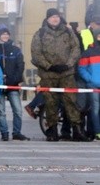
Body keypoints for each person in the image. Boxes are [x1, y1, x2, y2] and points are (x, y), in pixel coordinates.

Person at [31, 8, 90, 142]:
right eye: (52, 17)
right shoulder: (40, 34)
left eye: (57, 16)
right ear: (47, 19)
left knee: (71, 102)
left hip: (66, 74)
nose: (55, 19)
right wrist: (49, 66)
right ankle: (52, 131)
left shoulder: (68, 32)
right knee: (51, 103)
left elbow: (76, 49)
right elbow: (36, 53)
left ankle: (77, 130)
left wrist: (68, 64)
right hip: (48, 75)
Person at [0, 25, 29, 141]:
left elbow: (20, 66)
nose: (5, 36)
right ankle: (4, 133)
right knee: (1, 112)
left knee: (18, 110)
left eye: (7, 33)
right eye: (3, 34)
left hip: (13, 85)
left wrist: (15, 80)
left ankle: (17, 132)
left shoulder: (16, 50)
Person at [77, 27, 100, 140]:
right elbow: (81, 68)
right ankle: (97, 132)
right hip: (93, 86)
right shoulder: (88, 53)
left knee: (95, 109)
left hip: (92, 84)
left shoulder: (88, 52)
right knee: (95, 109)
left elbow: (81, 69)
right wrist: (90, 79)